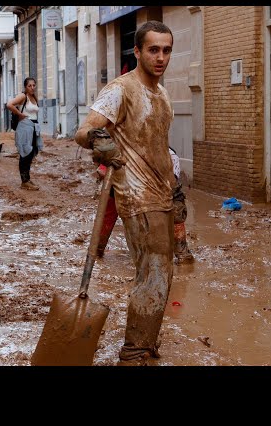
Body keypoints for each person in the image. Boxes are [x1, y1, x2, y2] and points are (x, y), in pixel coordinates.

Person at [75, 20, 176, 365]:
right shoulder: (121, 89)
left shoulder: (162, 93)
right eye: (153, 49)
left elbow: (159, 145)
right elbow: (84, 129)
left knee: (157, 273)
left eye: (166, 50)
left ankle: (144, 342)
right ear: (137, 51)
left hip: (163, 194)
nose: (160, 57)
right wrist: (100, 142)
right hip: (136, 195)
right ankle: (134, 353)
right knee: (156, 272)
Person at [95, 147, 194, 263]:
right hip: (124, 181)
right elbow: (102, 171)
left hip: (160, 183)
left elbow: (172, 184)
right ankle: (98, 249)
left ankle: (182, 253)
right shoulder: (122, 148)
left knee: (175, 208)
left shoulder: (169, 155)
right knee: (111, 211)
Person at [6, 77, 43, 191]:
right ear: (25, 87)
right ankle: (24, 181)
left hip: (34, 127)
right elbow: (9, 104)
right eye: (29, 86)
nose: (32, 88)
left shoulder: (33, 97)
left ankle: (27, 179)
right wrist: (19, 114)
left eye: (34, 85)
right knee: (25, 153)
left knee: (31, 153)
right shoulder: (23, 96)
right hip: (25, 127)